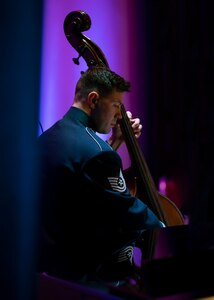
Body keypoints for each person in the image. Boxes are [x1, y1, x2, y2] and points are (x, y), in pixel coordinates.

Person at [37, 66, 164, 288]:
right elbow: (127, 211)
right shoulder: (97, 153)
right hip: (88, 283)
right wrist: (165, 228)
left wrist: (116, 141)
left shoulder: (48, 138)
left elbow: (86, 180)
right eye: (116, 105)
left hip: (48, 278)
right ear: (94, 100)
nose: (119, 115)